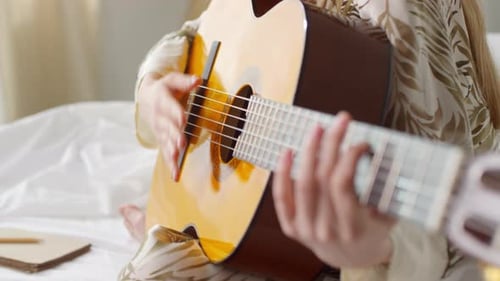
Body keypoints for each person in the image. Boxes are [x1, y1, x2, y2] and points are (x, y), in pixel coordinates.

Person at [119, 0, 500, 280]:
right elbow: (202, 31)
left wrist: (374, 252)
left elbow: (445, 242)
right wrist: (153, 92)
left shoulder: (401, 7)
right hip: (277, 228)